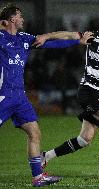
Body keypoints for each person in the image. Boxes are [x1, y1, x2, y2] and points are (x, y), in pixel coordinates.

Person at [0, 4, 92, 187]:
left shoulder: (24, 39)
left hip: (19, 97)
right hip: (3, 96)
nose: (23, 19)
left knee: (34, 133)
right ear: (12, 19)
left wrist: (77, 40)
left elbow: (52, 42)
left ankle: (38, 177)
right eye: (20, 16)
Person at [41, 18, 99, 179]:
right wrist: (46, 37)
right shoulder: (96, 37)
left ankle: (45, 156)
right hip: (88, 90)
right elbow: (69, 36)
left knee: (84, 139)